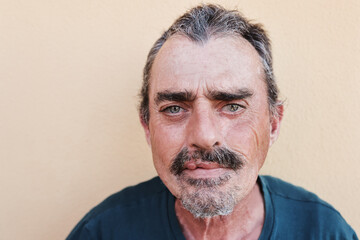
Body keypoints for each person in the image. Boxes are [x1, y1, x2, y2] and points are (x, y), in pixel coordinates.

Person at [67, 4, 357, 240]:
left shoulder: (323, 232)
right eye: (174, 108)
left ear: (273, 124)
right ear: (147, 126)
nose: (204, 136)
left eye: (232, 106)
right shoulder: (103, 232)